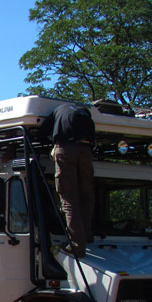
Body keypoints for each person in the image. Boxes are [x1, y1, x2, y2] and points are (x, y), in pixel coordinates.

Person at [40, 102, 95, 257]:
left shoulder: (57, 110)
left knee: (68, 197)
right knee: (86, 194)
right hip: (86, 150)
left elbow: (42, 131)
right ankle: (87, 234)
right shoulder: (84, 111)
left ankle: (77, 244)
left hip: (66, 149)